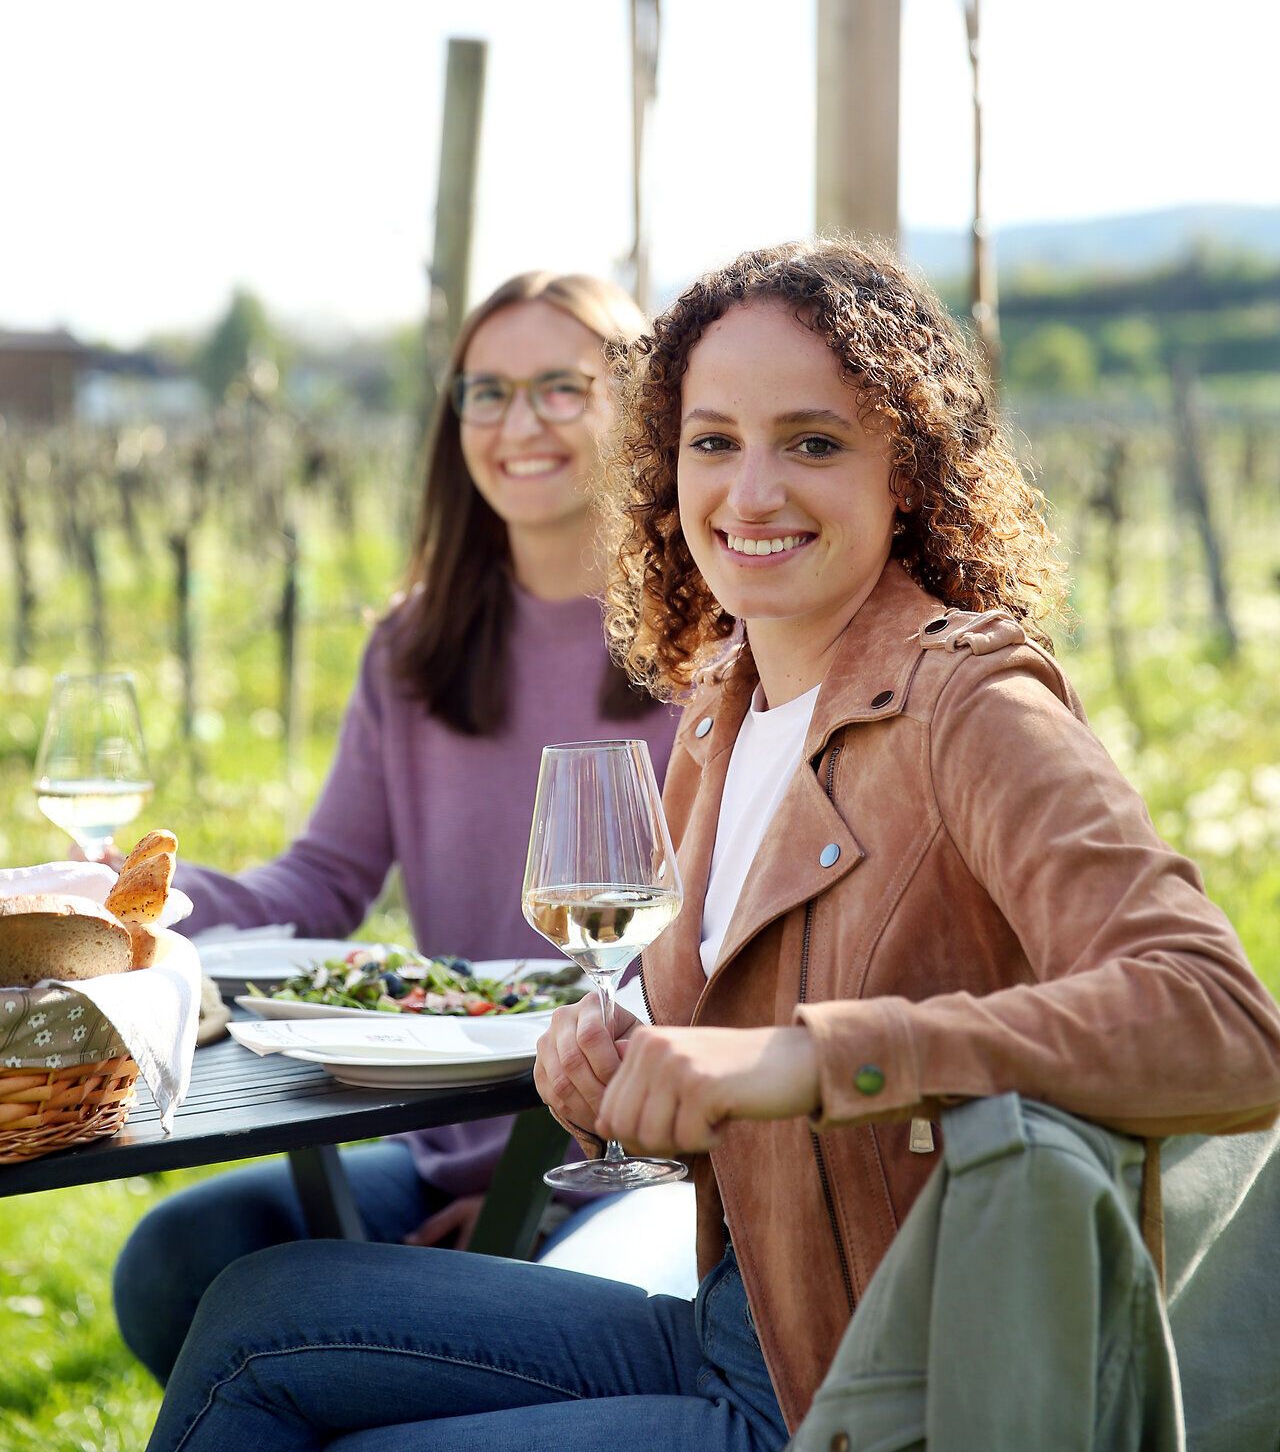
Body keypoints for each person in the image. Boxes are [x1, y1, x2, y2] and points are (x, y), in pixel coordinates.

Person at [142, 239, 1280, 1452]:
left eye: (813, 442)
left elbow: (1220, 1025)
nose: (749, 493)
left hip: (890, 1386)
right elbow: (704, 1066)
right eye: (712, 442)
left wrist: (805, 1064)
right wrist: (612, 1077)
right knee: (256, 1308)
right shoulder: (721, 709)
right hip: (742, 1327)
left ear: (906, 471)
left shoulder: (970, 704)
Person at [114, 269, 676, 1387]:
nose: (519, 424)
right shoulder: (412, 651)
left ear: (639, 406)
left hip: (639, 1157)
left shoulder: (706, 647)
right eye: (486, 391)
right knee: (180, 1260)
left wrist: (530, 1192)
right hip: (447, 1140)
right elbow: (319, 884)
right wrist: (115, 895)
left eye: (563, 389)